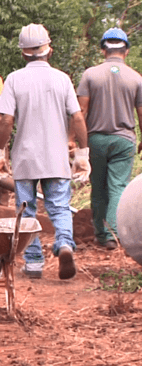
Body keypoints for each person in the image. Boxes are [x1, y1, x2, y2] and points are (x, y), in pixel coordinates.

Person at [0, 23, 90, 280]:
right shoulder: (62, 79)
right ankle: (65, 244)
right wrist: (82, 154)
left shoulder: (14, 79)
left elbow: (5, 121)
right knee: (59, 207)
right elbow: (77, 118)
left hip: (25, 159)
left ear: (23, 53)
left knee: (26, 210)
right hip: (56, 158)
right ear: (49, 50)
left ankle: (34, 262)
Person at [76, 28, 142, 250]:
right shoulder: (136, 78)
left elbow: (81, 112)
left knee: (98, 187)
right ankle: (114, 233)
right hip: (124, 141)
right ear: (127, 51)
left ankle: (101, 235)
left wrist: (76, 141)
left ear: (103, 50)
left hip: (96, 140)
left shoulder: (90, 75)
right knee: (118, 187)